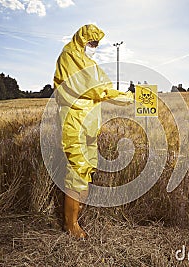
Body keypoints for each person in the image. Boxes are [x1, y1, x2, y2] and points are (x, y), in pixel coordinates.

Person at [53, 24, 133, 238]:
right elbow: (97, 89)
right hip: (75, 123)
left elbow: (105, 88)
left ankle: (77, 217)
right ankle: (70, 226)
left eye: (97, 44)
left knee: (87, 171)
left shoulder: (90, 63)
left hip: (88, 126)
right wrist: (128, 98)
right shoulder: (70, 56)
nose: (94, 46)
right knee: (76, 173)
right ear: (82, 40)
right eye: (92, 43)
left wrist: (132, 97)